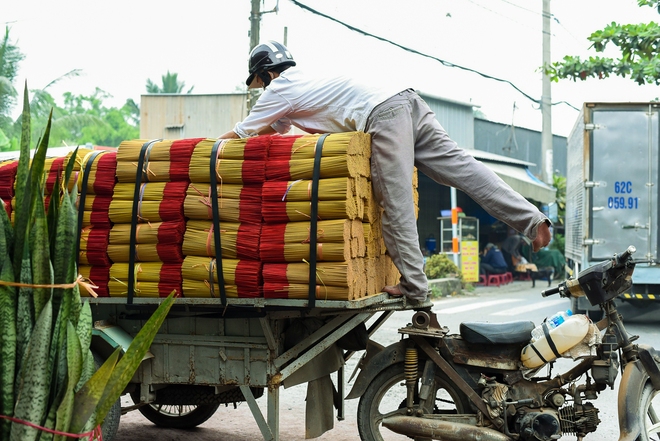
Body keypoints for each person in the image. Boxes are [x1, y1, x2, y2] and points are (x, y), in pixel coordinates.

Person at [219, 41, 551, 302]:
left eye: (260, 83)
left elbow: (243, 132)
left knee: (395, 202)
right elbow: (274, 130)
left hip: (385, 115)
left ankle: (415, 288)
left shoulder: (278, 90)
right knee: (463, 168)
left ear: (267, 74)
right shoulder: (304, 82)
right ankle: (532, 220)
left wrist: (204, 149)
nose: (262, 90)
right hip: (409, 101)